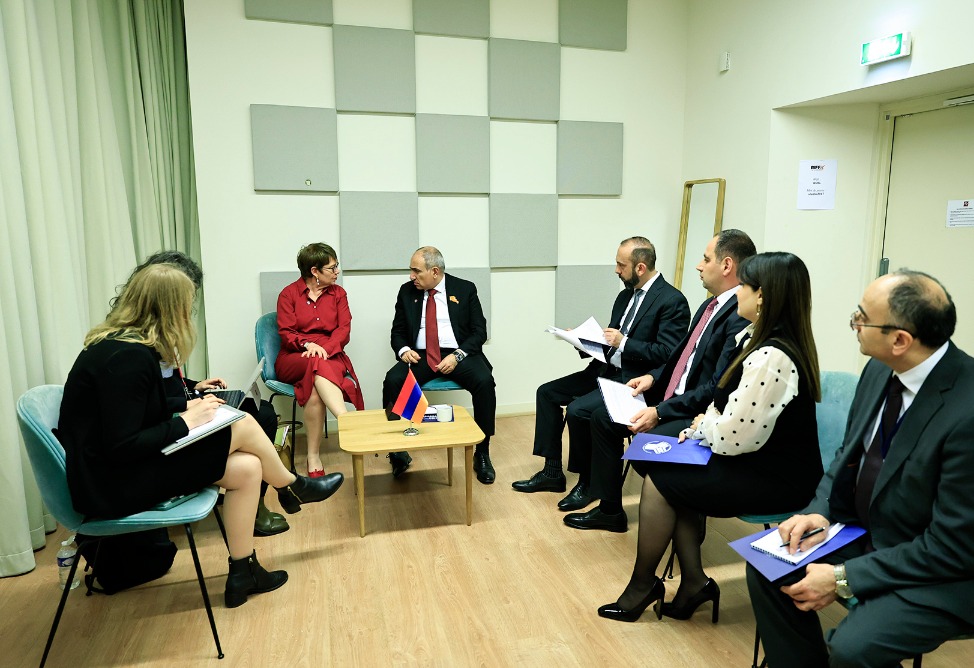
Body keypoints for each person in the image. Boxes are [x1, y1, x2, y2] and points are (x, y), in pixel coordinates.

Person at [57, 264, 345, 608]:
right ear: (169, 309)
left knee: (248, 468)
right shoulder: (127, 358)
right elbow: (123, 445)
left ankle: (244, 572)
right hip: (111, 487)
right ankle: (292, 485)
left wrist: (188, 402)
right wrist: (186, 422)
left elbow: (139, 411)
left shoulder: (122, 347)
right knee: (241, 423)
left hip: (117, 473)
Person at [746, 270, 974, 668]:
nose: (853, 323)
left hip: (939, 566)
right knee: (767, 565)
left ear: (900, 340)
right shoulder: (880, 368)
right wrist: (819, 512)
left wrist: (842, 577)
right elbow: (847, 456)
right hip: (869, 531)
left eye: (861, 318)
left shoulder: (967, 411)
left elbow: (950, 547)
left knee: (852, 650)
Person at [598, 252, 823, 624]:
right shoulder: (757, 339)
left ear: (762, 296)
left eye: (745, 286)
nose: (738, 294)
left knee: (663, 479)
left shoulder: (772, 356)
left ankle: (645, 585)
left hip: (776, 478)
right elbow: (726, 407)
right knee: (669, 471)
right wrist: (705, 423)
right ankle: (692, 583)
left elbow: (733, 436)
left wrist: (700, 426)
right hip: (757, 459)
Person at [564, 230, 755, 532]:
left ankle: (683, 517)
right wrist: (652, 378)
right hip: (668, 395)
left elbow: (715, 387)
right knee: (601, 417)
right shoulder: (710, 306)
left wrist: (660, 411)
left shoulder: (738, 315)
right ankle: (610, 510)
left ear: (727, 265)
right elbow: (682, 359)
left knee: (640, 448)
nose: (699, 265)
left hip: (695, 411)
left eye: (706, 259)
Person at [117, 250, 288, 536]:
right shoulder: (131, 351)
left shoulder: (147, 337)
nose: (188, 309)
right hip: (171, 422)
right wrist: (188, 408)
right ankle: (282, 489)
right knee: (255, 420)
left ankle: (262, 497)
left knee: (263, 411)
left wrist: (194, 385)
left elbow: (163, 382)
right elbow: (147, 403)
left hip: (179, 405)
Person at [512, 237, 690, 508]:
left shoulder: (672, 301)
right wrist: (584, 341)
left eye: (621, 265)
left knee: (578, 411)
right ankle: (552, 472)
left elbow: (668, 354)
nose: (616, 270)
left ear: (640, 267)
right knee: (546, 393)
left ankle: (588, 482)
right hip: (605, 369)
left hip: (633, 381)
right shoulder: (624, 296)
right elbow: (610, 341)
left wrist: (624, 342)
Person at [381, 246, 497, 483]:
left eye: (416, 271)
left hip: (458, 353)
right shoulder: (406, 291)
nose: (411, 276)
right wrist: (404, 351)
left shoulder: (465, 289)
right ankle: (397, 451)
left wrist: (458, 355)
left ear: (434, 271)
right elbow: (397, 331)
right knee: (392, 381)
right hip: (421, 355)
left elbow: (479, 332)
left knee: (485, 382)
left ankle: (482, 452)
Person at [276, 243, 364, 477]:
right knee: (314, 362)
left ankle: (313, 456)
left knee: (314, 391)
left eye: (337, 266)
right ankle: (345, 419)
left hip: (330, 355)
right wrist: (308, 345)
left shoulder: (338, 294)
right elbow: (286, 333)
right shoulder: (288, 294)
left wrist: (324, 349)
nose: (337, 272)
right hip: (295, 356)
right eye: (332, 268)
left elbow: (343, 330)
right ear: (314, 271)